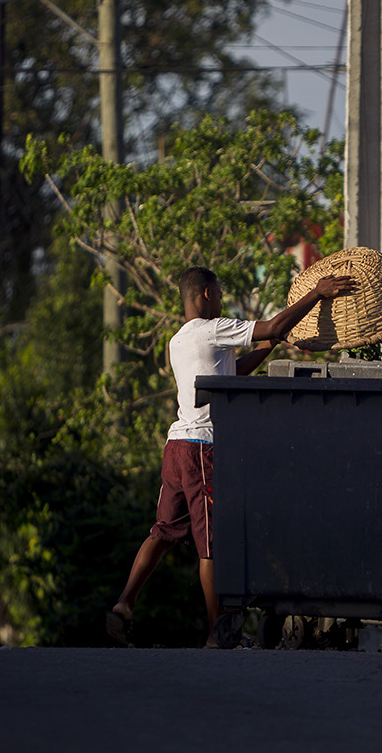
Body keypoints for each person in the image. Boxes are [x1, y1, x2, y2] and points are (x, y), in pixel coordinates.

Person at [106, 265, 357, 647]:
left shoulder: (179, 340)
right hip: (203, 449)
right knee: (212, 544)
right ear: (206, 294)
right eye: (219, 293)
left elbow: (230, 375)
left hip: (176, 447)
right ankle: (218, 634)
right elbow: (272, 325)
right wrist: (318, 294)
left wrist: (265, 350)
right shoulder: (213, 329)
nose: (222, 300)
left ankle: (124, 603)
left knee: (163, 532)